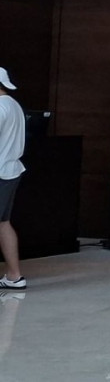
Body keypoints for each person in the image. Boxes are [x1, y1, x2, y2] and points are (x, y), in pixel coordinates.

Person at [0, 69, 26, 291]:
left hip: (0, 173)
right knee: (3, 223)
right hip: (11, 171)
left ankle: (14, 275)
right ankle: (13, 275)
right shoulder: (14, 105)